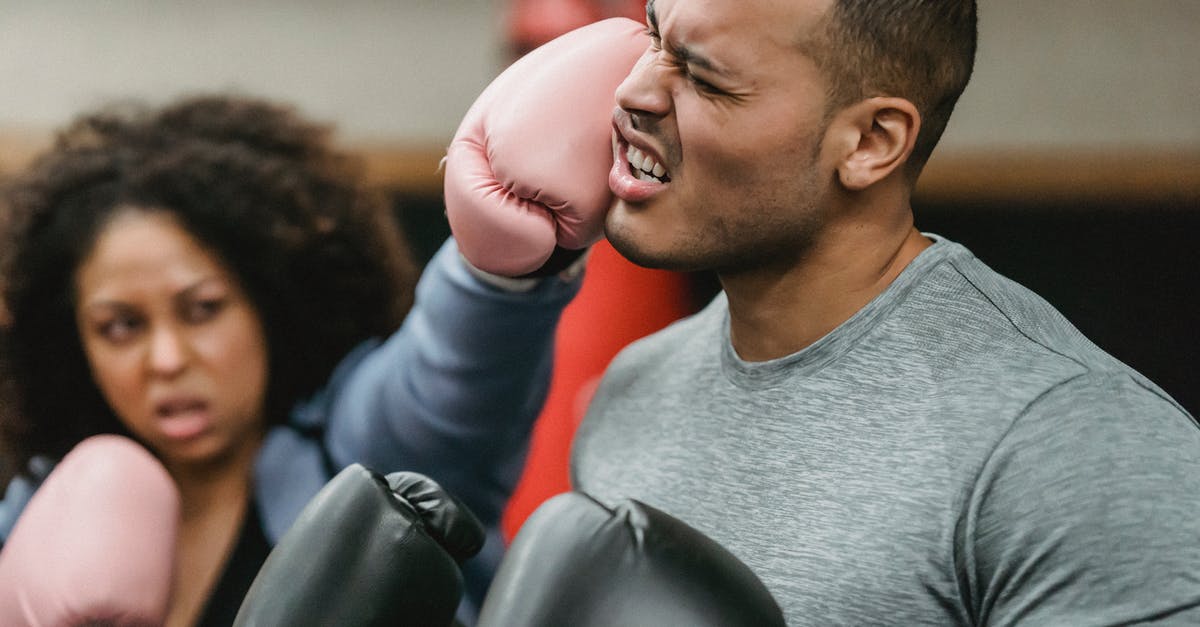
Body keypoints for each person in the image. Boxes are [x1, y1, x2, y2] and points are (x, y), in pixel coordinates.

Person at [557, 0, 1200, 624]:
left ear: (869, 141)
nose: (634, 91)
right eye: (652, 34)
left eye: (704, 78)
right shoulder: (635, 390)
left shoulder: (1070, 443)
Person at [0, 94, 582, 625]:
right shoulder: (42, 505)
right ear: (72, 339)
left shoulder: (362, 461)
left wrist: (501, 257)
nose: (167, 359)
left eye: (202, 309)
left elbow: (455, 367)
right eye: (121, 326)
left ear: (268, 302)